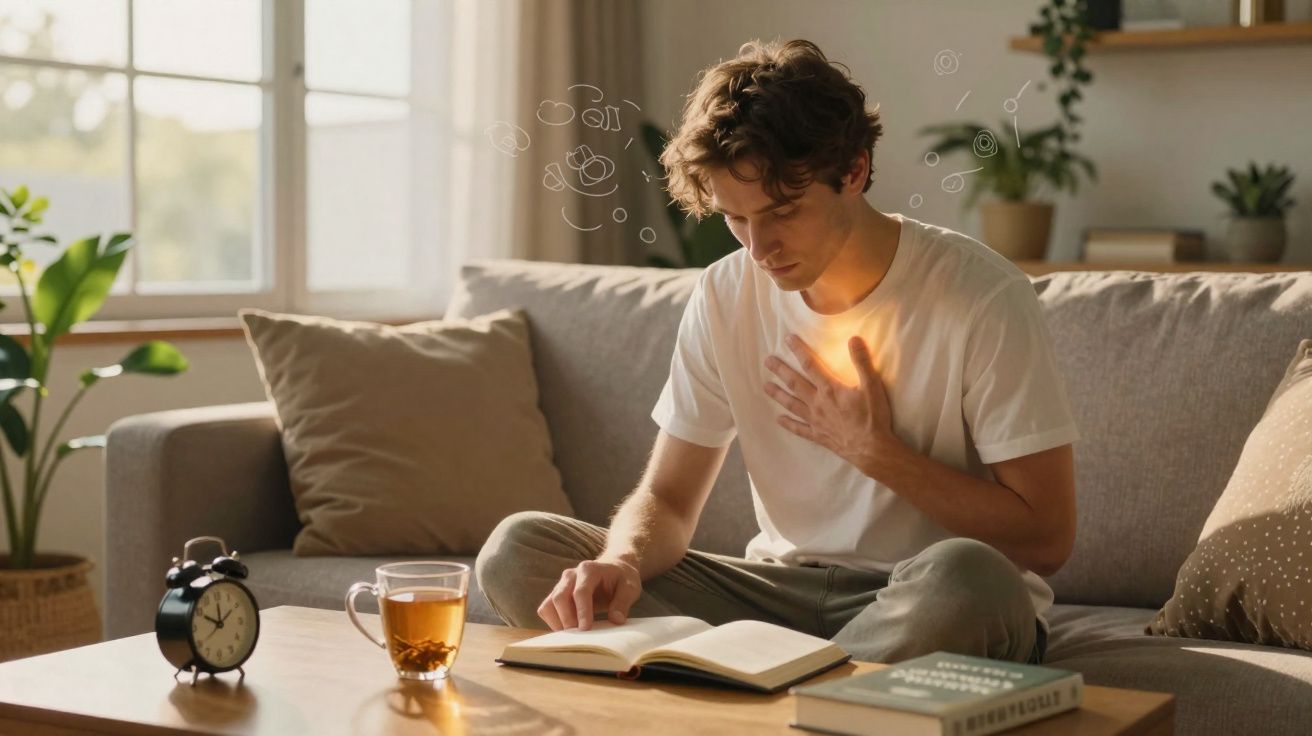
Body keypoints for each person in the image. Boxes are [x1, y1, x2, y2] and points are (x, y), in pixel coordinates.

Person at [475, 38, 1080, 665]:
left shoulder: (982, 295)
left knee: (969, 582)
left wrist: (877, 453)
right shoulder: (724, 292)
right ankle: (813, 689)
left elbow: (1046, 538)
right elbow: (671, 499)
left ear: (854, 171)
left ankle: (753, 688)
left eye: (782, 211)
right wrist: (620, 562)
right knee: (521, 550)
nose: (758, 248)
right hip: (778, 596)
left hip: (920, 597)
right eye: (736, 220)